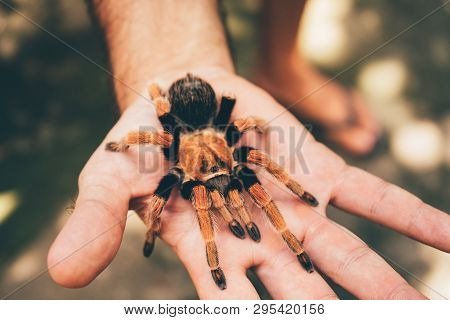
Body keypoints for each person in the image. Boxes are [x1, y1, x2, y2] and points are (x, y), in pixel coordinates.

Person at [47, 0, 449, 299]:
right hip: (193, 117)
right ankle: (279, 67)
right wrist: (131, 143)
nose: (227, 190)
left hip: (207, 125)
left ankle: (281, 65)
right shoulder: (173, 147)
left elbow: (251, 131)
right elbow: (152, 129)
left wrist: (294, 184)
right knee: (204, 188)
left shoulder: (239, 150)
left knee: (258, 167)